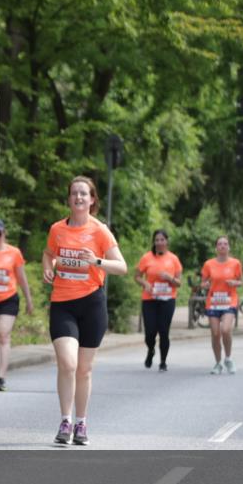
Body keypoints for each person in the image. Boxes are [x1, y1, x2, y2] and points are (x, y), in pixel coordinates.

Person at [43, 176, 127, 445]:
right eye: (74, 194)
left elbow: (122, 267)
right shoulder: (57, 229)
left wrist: (97, 261)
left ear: (92, 200)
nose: (78, 198)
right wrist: (48, 265)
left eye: (84, 194)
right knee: (68, 363)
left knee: (84, 370)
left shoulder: (100, 230)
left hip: (92, 304)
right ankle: (65, 421)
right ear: (69, 199)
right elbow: (48, 253)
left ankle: (81, 423)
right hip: (63, 303)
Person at [0, 219, 33, 391]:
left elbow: (22, 279)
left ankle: (2, 376)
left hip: (8, 299)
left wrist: (29, 300)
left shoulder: (14, 253)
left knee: (3, 334)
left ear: (4, 234)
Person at [134, 229, 182, 372]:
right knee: (150, 332)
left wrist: (170, 278)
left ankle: (163, 362)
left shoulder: (173, 259)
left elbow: (179, 283)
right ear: (154, 242)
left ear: (167, 241)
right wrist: (145, 284)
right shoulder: (146, 258)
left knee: (163, 331)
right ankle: (151, 350)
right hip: (150, 299)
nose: (159, 242)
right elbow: (137, 276)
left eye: (162, 240)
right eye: (157, 240)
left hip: (167, 299)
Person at [200, 236, 243, 375]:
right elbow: (203, 282)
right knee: (215, 333)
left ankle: (228, 358)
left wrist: (235, 283)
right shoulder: (208, 264)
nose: (223, 246)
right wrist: (205, 285)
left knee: (225, 330)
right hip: (213, 302)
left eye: (225, 244)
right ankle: (218, 362)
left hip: (229, 300)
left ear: (229, 247)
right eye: (220, 244)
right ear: (216, 248)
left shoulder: (235, 263)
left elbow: (241, 281)